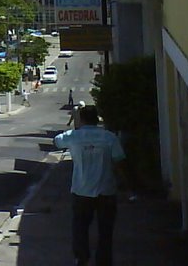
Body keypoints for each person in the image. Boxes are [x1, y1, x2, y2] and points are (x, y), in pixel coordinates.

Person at [54, 104, 126, 266]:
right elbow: (119, 161)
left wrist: (75, 130)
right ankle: (104, 260)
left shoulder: (73, 136)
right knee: (105, 230)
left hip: (81, 189)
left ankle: (82, 257)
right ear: (97, 119)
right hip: (106, 190)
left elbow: (57, 141)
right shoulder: (109, 137)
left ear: (82, 119)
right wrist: (126, 184)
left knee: (80, 227)